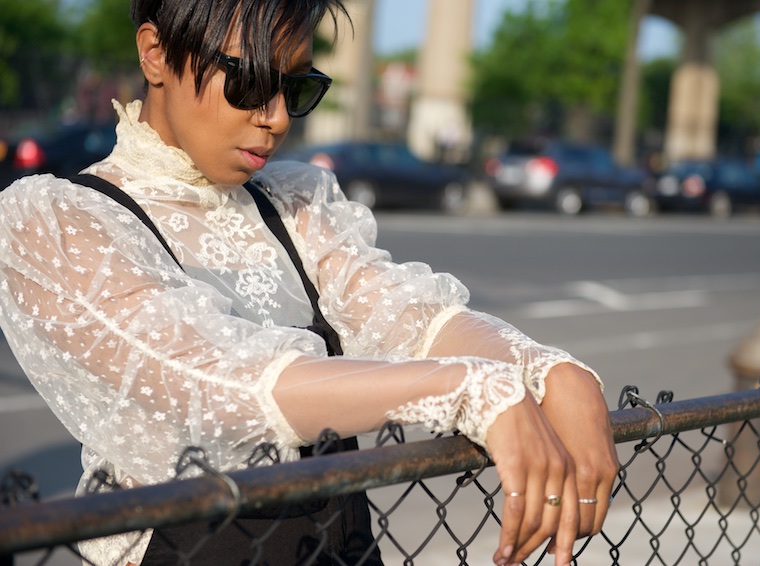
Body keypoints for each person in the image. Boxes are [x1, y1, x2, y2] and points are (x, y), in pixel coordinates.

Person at [0, 1, 618, 565]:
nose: (273, 118)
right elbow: (218, 380)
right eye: (248, 82)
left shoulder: (294, 203)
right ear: (155, 53)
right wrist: (469, 389)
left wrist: (548, 370)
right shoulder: (61, 221)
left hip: (341, 548)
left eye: (295, 87)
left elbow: (405, 314)